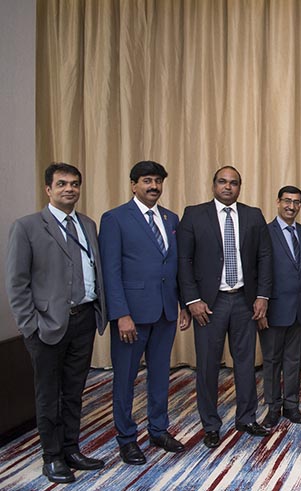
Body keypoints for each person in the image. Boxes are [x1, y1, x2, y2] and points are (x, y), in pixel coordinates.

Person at [6, 163, 107, 483]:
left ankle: (71, 448)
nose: (69, 189)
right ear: (48, 189)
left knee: (75, 390)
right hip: (47, 326)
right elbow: (17, 283)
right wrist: (29, 326)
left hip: (84, 320)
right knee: (48, 393)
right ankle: (51, 457)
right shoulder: (27, 227)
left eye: (75, 184)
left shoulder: (88, 225)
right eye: (62, 184)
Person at [98, 161, 189, 465]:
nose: (154, 186)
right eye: (147, 180)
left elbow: (173, 267)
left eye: (158, 181)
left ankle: (158, 430)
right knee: (125, 379)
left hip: (165, 311)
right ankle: (126, 439)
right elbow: (110, 271)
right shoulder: (115, 219)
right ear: (133, 184)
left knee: (160, 375)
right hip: (131, 316)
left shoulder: (170, 218)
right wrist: (120, 313)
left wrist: (182, 304)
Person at [177, 166, 272, 448]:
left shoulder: (253, 215)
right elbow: (184, 260)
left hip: (244, 300)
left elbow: (264, 258)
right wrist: (192, 300)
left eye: (234, 183)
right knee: (207, 366)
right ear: (213, 185)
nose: (228, 187)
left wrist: (263, 296)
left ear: (240, 187)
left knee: (245, 364)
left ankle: (246, 418)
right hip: (209, 304)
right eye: (223, 182)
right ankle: (210, 424)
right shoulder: (194, 214)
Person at [259, 186, 301, 428]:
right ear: (277, 202)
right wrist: (260, 307)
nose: (291, 206)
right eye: (287, 201)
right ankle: (273, 408)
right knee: (272, 360)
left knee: (294, 360)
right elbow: (258, 273)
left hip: (300, 309)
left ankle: (291, 405)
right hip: (272, 310)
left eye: (296, 202)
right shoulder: (264, 232)